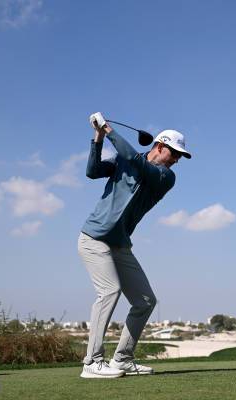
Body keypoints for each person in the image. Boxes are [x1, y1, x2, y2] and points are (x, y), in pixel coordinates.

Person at [78, 112, 191, 378]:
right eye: (173, 153)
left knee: (145, 301)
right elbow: (92, 171)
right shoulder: (125, 159)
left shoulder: (165, 177)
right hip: (94, 238)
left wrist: (107, 128)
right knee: (109, 292)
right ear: (159, 146)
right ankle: (92, 363)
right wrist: (97, 136)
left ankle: (122, 359)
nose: (176, 160)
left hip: (119, 245)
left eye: (179, 157)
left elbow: (135, 161)